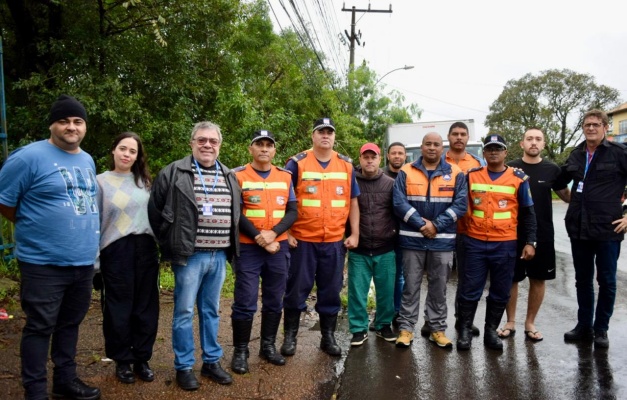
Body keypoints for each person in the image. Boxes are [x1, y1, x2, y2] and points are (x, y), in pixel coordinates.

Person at [0, 95, 101, 400]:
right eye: (64, 121)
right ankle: (36, 391)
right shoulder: (27, 158)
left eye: (77, 121)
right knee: (40, 327)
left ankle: (65, 380)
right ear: (53, 124)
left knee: (70, 324)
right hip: (43, 263)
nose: (71, 127)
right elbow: (5, 203)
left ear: (84, 126)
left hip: (82, 262)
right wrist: (36, 225)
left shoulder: (87, 159)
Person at [148, 121, 241, 390]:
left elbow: (236, 212)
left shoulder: (228, 175)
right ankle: (184, 366)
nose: (207, 145)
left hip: (219, 255)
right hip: (189, 257)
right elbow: (155, 212)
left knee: (211, 310)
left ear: (219, 145)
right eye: (201, 140)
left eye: (213, 141)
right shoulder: (174, 171)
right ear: (191, 143)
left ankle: (211, 362)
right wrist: (170, 243)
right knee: (184, 311)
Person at [281, 117, 360, 357]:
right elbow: (280, 199)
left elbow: (353, 201)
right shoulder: (297, 163)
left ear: (334, 137)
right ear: (313, 136)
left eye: (329, 132)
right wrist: (287, 232)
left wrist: (355, 233)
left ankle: (328, 337)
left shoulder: (346, 165)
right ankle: (290, 338)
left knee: (331, 291)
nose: (325, 135)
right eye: (320, 131)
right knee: (295, 291)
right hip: (303, 241)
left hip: (334, 242)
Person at [457, 134, 537, 351]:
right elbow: (461, 208)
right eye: (489, 148)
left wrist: (531, 242)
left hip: (504, 244)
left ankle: (490, 331)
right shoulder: (471, 176)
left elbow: (528, 213)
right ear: (484, 153)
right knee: (470, 289)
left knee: (501, 290)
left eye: (498, 148)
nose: (493, 152)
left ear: (505, 153)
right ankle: (464, 330)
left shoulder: (519, 179)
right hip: (474, 242)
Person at [558, 109, 627, 349]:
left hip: (608, 229)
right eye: (587, 124)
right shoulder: (576, 154)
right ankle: (584, 326)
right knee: (582, 280)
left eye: (596, 124)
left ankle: (601, 329)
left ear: (605, 127)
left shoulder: (619, 153)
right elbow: (560, 182)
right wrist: (570, 201)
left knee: (607, 280)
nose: (591, 128)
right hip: (579, 228)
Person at [230, 130, 297, 373]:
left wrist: (273, 233)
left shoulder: (285, 176)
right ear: (251, 149)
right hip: (249, 248)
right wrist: (261, 238)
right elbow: (236, 214)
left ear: (274, 150)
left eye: (269, 145)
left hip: (277, 248)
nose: (264, 149)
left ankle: (268, 346)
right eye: (259, 144)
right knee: (245, 301)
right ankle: (240, 351)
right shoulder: (237, 176)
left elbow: (292, 211)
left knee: (274, 299)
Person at [392, 133, 467, 348]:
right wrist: (421, 224)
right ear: (422, 147)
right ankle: (406, 329)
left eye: (436, 144)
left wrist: (436, 225)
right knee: (410, 287)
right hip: (412, 240)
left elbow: (461, 205)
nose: (432, 148)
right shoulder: (406, 171)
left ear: (442, 148)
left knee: (439, 287)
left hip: (442, 240)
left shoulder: (455, 173)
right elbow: (398, 203)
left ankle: (437, 329)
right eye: (428, 144)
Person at [96, 132, 159, 383]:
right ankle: (122, 360)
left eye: (132, 151)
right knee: (118, 309)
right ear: (113, 150)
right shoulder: (100, 182)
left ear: (137, 156)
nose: (127, 154)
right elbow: (94, 222)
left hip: (145, 248)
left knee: (145, 307)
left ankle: (142, 358)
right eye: (123, 148)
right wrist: (95, 264)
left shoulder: (144, 182)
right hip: (115, 250)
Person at [496, 128, 570, 342]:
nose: (534, 142)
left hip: (543, 235)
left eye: (538, 139)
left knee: (539, 279)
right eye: (529, 139)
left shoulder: (552, 170)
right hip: (512, 234)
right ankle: (510, 321)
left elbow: (567, 197)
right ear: (522, 144)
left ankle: (530, 322)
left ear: (544, 144)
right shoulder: (510, 168)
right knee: (512, 279)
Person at [426, 121, 485, 338]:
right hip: (441, 228)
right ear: (448, 138)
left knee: (465, 277)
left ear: (467, 138)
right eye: (455, 134)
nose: (459, 137)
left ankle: (463, 321)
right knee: (436, 277)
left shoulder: (477, 163)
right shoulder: (439, 159)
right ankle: (430, 321)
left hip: (468, 229)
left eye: (463, 134)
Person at [348, 143, 397, 346]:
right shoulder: (352, 182)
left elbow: (398, 211)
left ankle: (383, 325)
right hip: (359, 248)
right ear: (360, 159)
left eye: (373, 157)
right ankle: (358, 329)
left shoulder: (390, 183)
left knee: (386, 291)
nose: (369, 160)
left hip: (385, 248)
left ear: (380, 159)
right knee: (357, 292)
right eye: (365, 157)